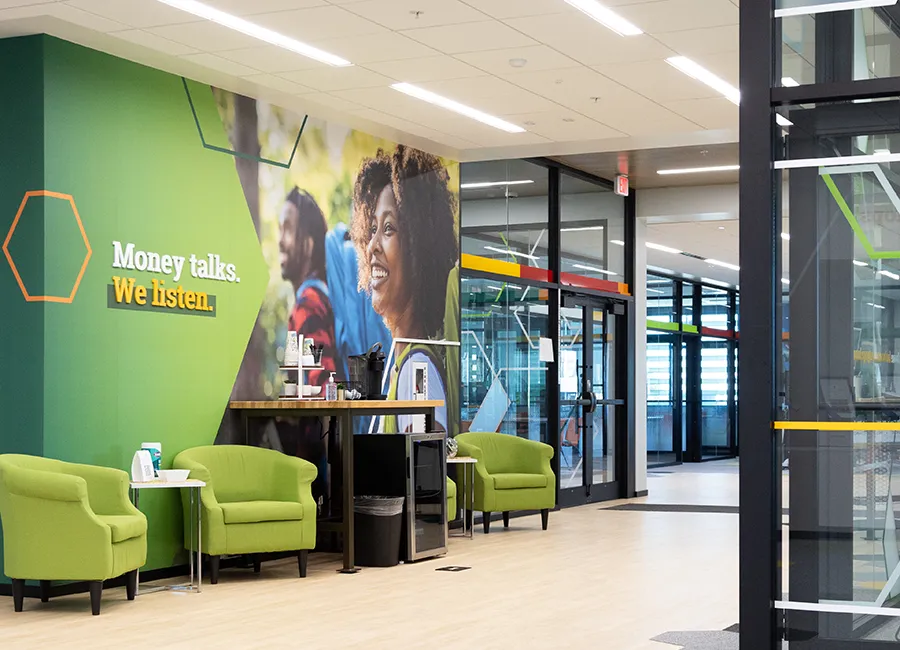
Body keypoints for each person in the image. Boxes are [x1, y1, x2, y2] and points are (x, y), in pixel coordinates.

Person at [351, 146, 459, 434]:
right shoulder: (404, 364)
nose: (373, 245)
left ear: (418, 249)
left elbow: (423, 458)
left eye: (388, 228)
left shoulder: (416, 369)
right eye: (372, 228)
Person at [279, 187, 339, 386]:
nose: (279, 241)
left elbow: (323, 386)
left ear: (309, 243)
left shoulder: (309, 303)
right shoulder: (319, 296)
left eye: (287, 229)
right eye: (279, 229)